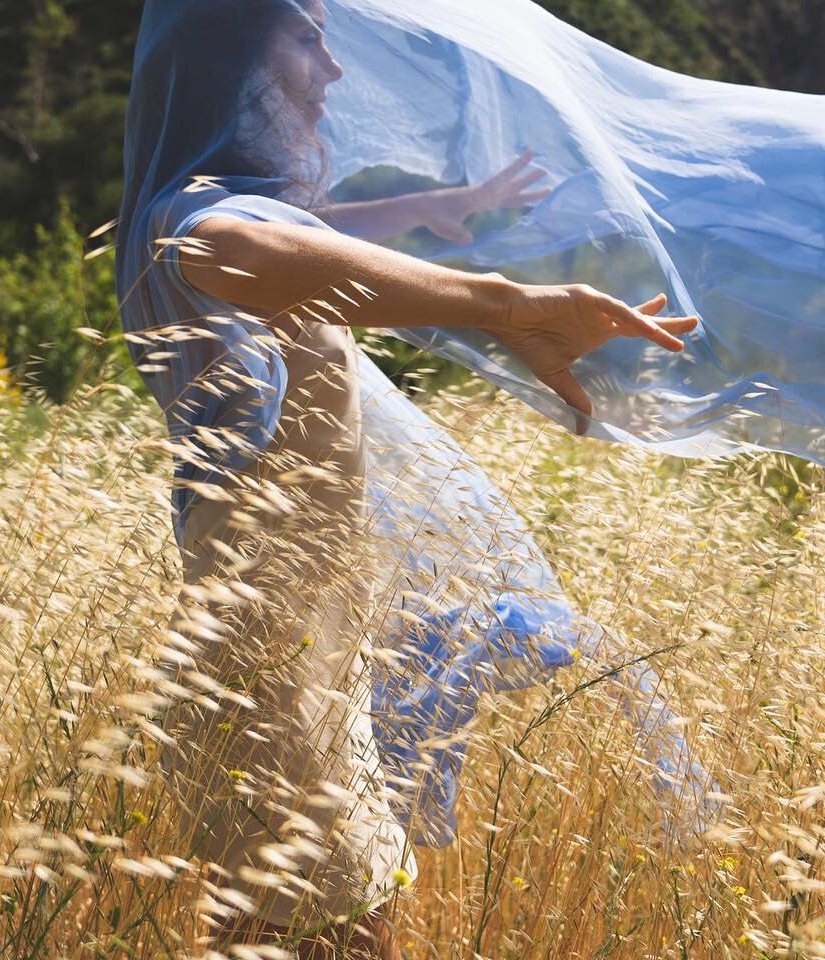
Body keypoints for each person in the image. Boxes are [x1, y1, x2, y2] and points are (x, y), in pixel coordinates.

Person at [117, 0, 823, 956]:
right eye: (305, 34)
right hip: (273, 672)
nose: (331, 66)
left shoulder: (198, 216)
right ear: (232, 63)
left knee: (296, 923)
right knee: (324, 927)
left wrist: (422, 210)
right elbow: (245, 245)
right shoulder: (188, 228)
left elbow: (295, 232)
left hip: (300, 652)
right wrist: (508, 306)